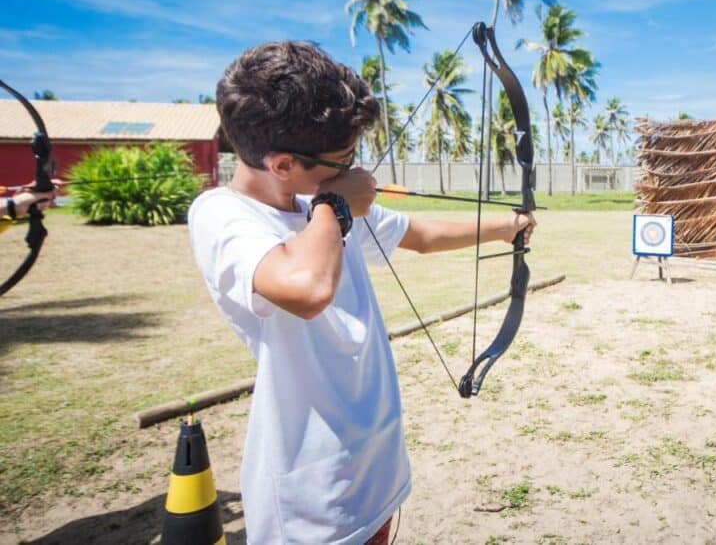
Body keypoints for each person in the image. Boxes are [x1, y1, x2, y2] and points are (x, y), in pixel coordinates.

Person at [188, 41, 535, 544]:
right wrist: (334, 203)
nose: (355, 171)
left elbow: (420, 235)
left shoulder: (318, 202)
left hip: (375, 467)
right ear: (282, 165)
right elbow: (307, 289)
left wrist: (508, 226)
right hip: (314, 500)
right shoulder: (223, 214)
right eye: (343, 159)